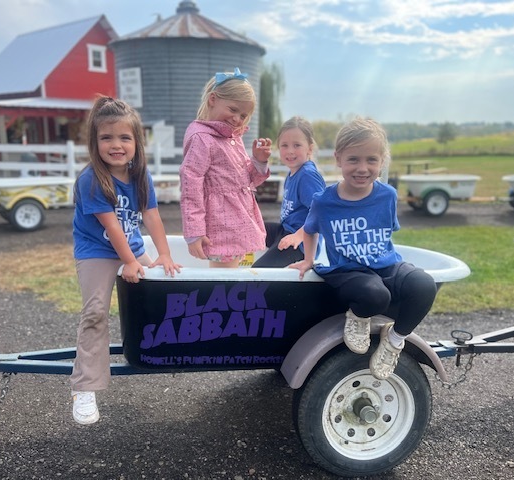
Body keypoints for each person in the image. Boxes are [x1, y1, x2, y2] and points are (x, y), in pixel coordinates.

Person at [289, 117, 437, 380]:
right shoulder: (324, 201)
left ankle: (393, 341)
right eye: (353, 159)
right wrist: (308, 260)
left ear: (382, 161)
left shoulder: (387, 195)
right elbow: (310, 230)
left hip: (385, 263)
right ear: (338, 159)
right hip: (347, 269)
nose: (362, 168)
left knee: (424, 285)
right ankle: (358, 316)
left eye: (371, 160)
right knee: (376, 296)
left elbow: (385, 235)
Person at [71, 96, 181, 425]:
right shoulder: (91, 180)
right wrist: (131, 262)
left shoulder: (140, 176)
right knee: (95, 312)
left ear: (137, 142)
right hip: (97, 250)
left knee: (164, 289)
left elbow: (152, 217)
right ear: (95, 142)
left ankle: (154, 349)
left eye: (124, 138)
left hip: (130, 245)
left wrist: (162, 254)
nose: (116, 145)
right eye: (106, 137)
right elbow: (111, 227)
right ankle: (84, 387)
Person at [180, 67, 273, 268]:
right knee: (223, 280)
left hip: (239, 222)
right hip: (220, 226)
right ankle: (222, 300)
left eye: (243, 115)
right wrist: (194, 231)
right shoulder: (202, 139)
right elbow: (191, 187)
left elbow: (247, 182)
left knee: (233, 278)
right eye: (233, 110)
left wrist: (258, 161)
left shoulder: (233, 137)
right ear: (213, 99)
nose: (237, 119)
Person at [252, 116, 326, 267]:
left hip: (301, 243)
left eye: (297, 145)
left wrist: (299, 236)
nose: (290, 151)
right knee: (248, 230)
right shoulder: (293, 172)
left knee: (258, 273)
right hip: (285, 230)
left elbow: (323, 212)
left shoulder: (307, 175)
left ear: (309, 149)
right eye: (284, 145)